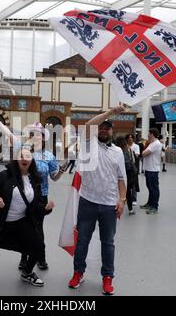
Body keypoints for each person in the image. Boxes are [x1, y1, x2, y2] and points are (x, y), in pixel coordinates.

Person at [67, 105, 127, 296]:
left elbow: (121, 179)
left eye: (107, 127)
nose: (103, 129)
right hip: (88, 201)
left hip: (109, 204)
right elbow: (87, 126)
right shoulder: (88, 143)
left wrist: (122, 200)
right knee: (83, 239)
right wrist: (109, 113)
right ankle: (78, 273)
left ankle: (107, 277)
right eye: (101, 127)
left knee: (108, 242)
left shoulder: (118, 152)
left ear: (111, 131)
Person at [0, 119, 65, 271]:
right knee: (24, 227)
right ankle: (24, 257)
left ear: (43, 138)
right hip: (21, 196)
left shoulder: (49, 156)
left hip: (40, 197)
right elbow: (10, 135)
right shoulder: (22, 149)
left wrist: (61, 173)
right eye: (32, 134)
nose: (34, 136)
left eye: (38, 134)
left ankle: (40, 257)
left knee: (37, 227)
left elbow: (54, 177)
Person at [0, 148, 55, 286]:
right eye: (21, 156)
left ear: (32, 160)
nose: (24, 159)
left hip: (20, 222)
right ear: (16, 159)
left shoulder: (35, 180)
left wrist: (46, 209)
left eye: (28, 156)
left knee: (38, 246)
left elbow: (36, 207)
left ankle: (27, 272)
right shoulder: (4, 176)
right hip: (0, 223)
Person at [140, 128, 163, 214]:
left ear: (152, 134)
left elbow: (144, 153)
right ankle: (150, 203)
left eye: (148, 133)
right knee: (150, 188)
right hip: (148, 168)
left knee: (154, 188)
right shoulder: (151, 143)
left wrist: (143, 152)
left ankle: (154, 206)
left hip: (153, 169)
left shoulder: (156, 144)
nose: (147, 135)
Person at [115, 136, 137, 215]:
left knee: (118, 191)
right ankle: (130, 209)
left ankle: (116, 205)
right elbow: (128, 164)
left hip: (117, 174)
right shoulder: (126, 150)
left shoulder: (115, 151)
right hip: (127, 175)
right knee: (127, 192)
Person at [126, 134, 140, 206]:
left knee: (134, 184)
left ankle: (134, 199)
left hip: (133, 168)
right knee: (126, 183)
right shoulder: (124, 146)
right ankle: (126, 198)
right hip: (126, 167)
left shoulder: (136, 146)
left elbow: (137, 155)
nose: (130, 139)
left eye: (131, 137)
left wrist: (130, 151)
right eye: (128, 137)